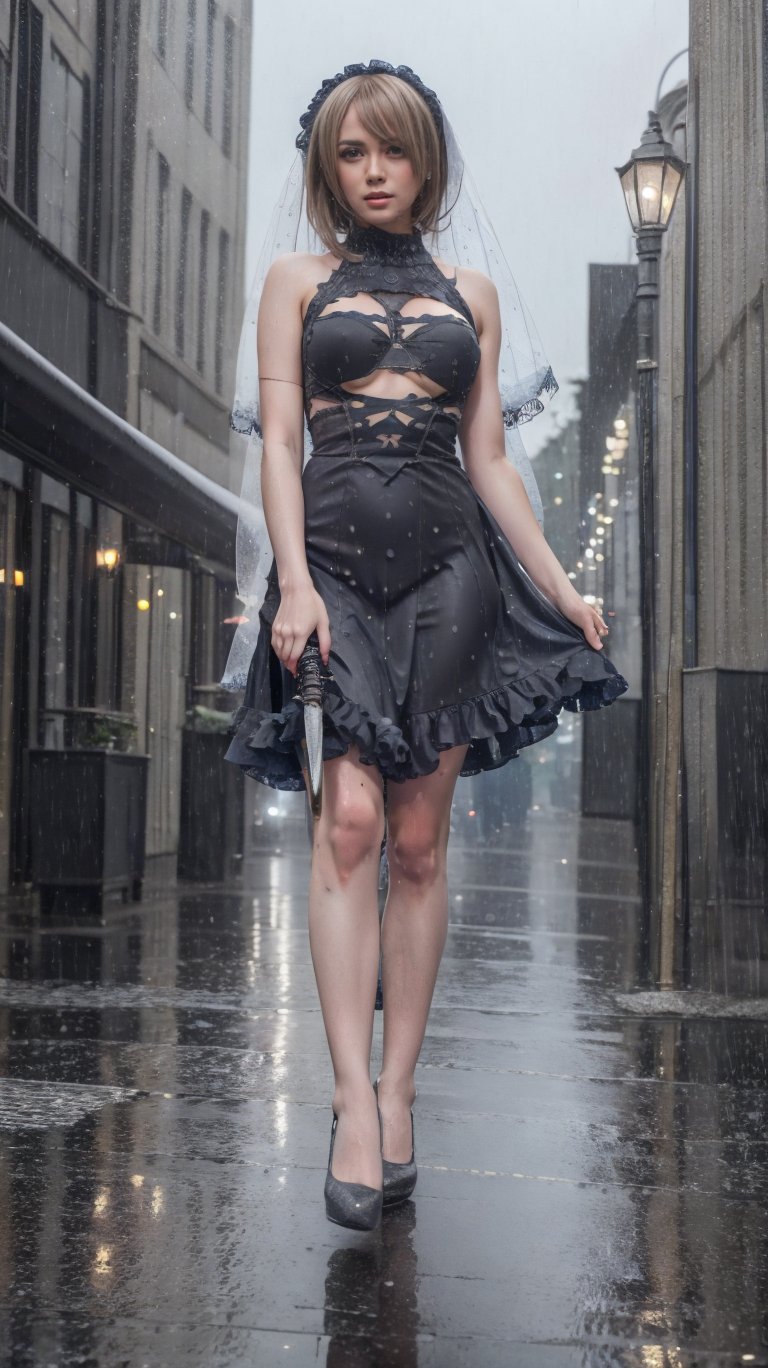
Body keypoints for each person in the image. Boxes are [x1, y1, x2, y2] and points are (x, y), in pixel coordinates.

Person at [223, 62, 629, 1231]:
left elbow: (490, 459)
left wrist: (561, 584)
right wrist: (291, 585)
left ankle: (402, 1096)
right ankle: (351, 1102)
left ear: (425, 161)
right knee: (346, 822)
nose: (375, 172)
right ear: (327, 168)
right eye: (352, 154)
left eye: (392, 151)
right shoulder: (294, 283)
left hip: (454, 578)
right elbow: (281, 444)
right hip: (336, 577)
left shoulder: (475, 294)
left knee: (413, 839)